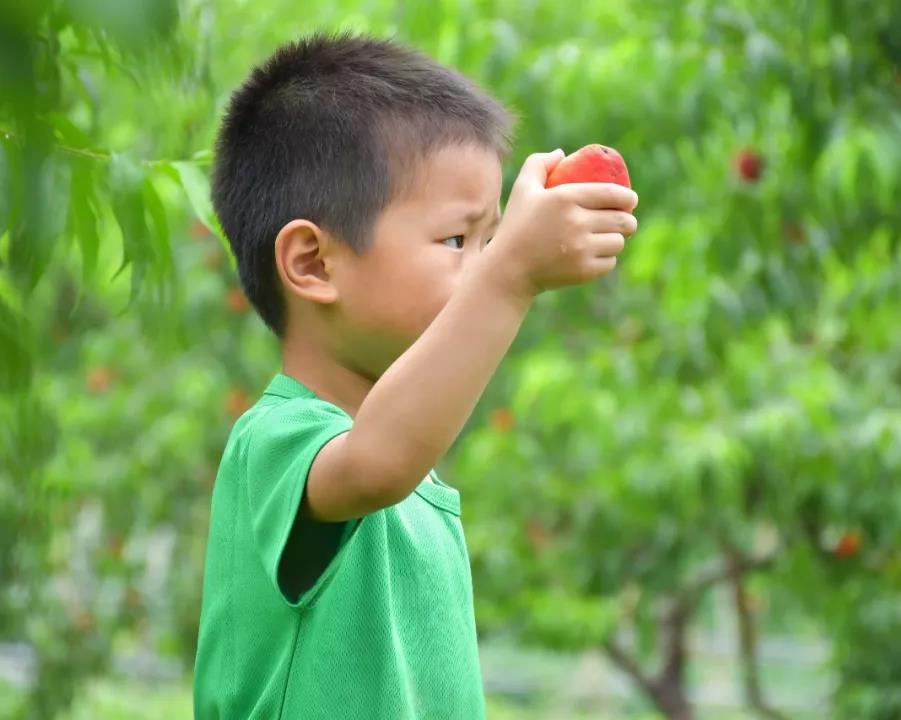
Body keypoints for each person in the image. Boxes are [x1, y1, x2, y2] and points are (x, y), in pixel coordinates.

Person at [192, 31, 638, 719]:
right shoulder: (276, 443)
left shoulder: (417, 490)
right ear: (312, 263)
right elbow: (376, 463)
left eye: (492, 240)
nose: (483, 266)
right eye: (458, 240)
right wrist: (512, 274)